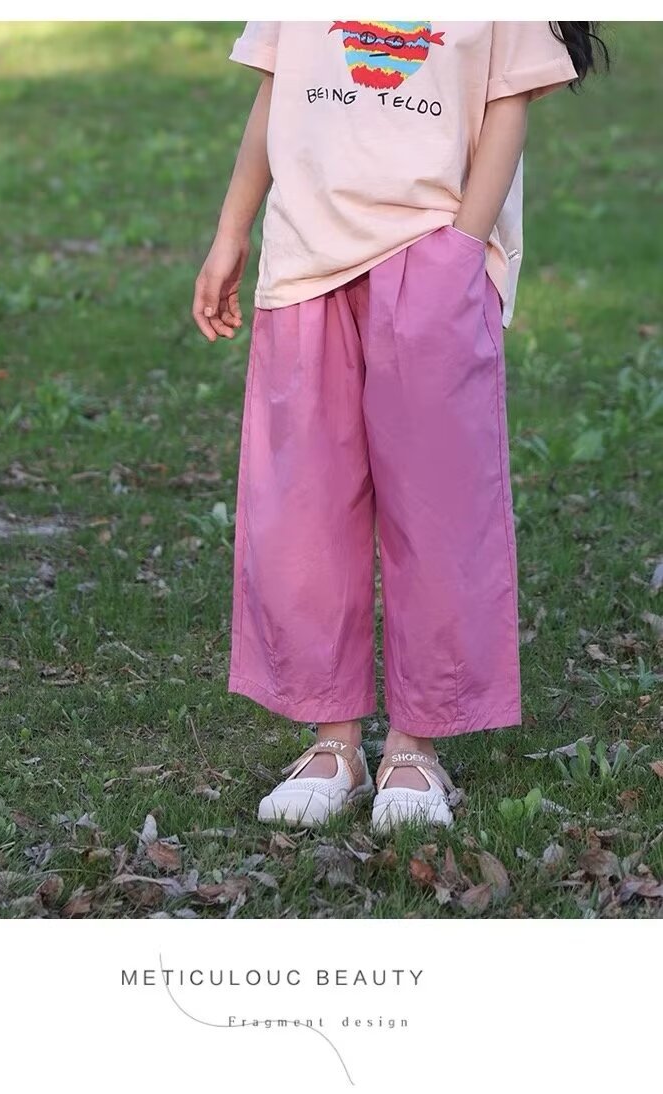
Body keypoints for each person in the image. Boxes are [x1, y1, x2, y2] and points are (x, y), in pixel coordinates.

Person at [192, 22, 609, 833]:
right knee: (305, 510)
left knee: (439, 511)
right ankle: (334, 742)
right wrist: (230, 232)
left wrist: (461, 251)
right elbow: (277, 88)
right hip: (305, 260)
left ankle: (416, 745)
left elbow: (508, 105)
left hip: (431, 254)